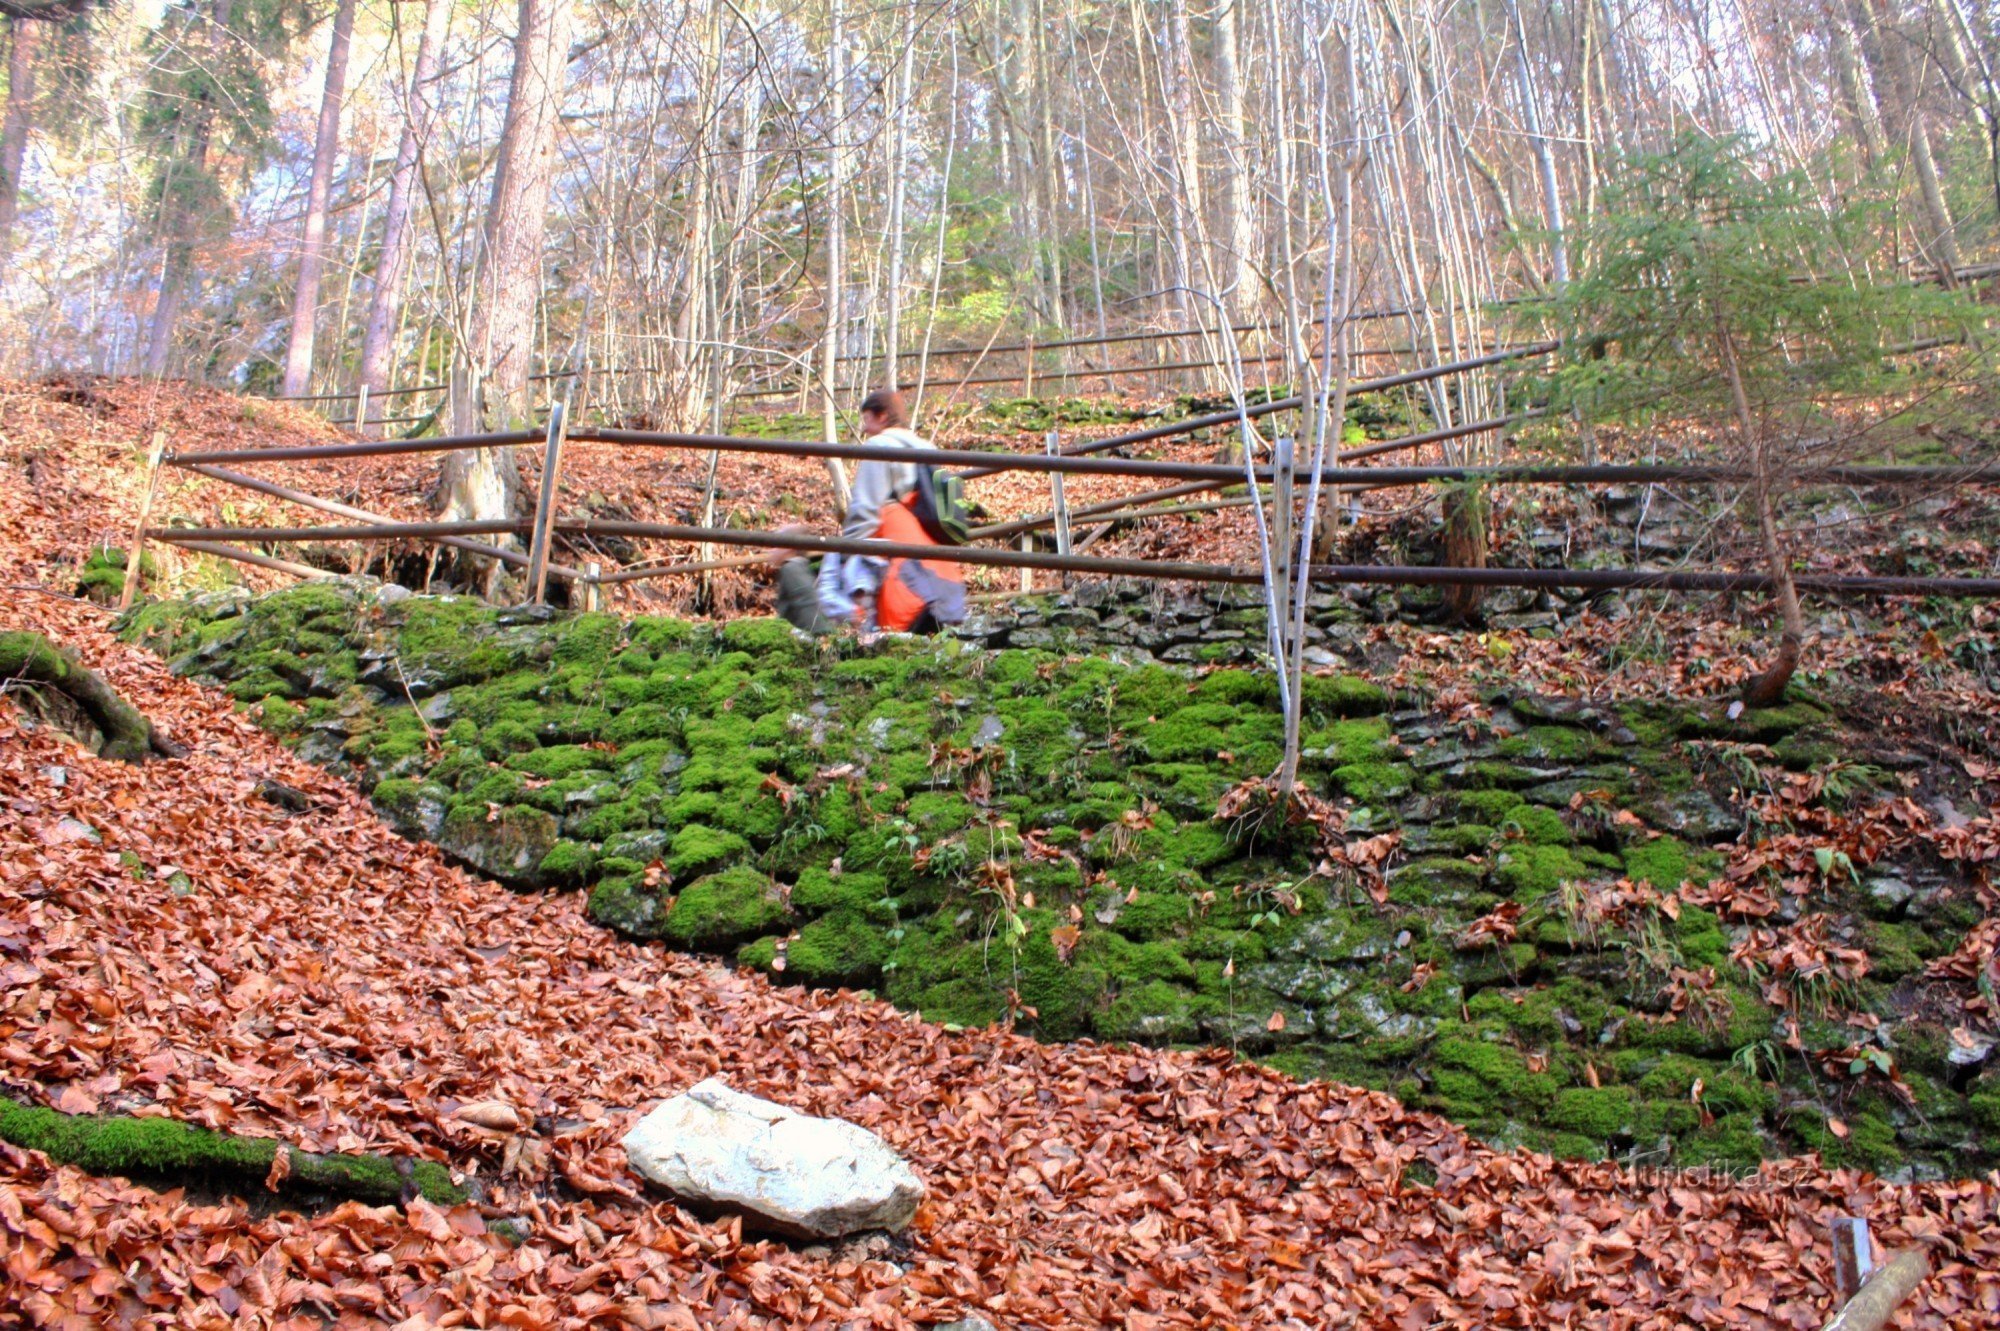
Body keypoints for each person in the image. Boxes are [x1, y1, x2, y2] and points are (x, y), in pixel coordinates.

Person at [773, 389, 966, 635]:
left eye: (867, 420)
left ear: (882, 416)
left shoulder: (880, 446)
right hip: (937, 575)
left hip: (901, 573)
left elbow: (864, 511)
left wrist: (844, 555)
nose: (864, 429)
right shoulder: (927, 449)